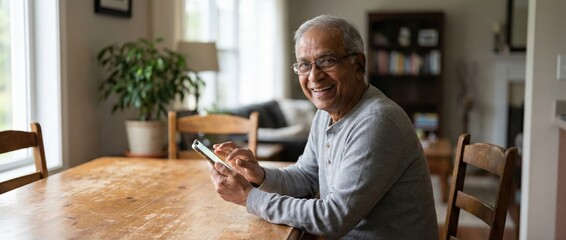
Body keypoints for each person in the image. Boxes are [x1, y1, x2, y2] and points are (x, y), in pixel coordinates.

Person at [209, 15, 439, 239]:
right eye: (304, 65)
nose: (314, 76)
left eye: (327, 61)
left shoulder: (377, 121)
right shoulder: (324, 114)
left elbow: (333, 218)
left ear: (358, 64)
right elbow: (307, 176)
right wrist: (259, 175)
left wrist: (249, 198)